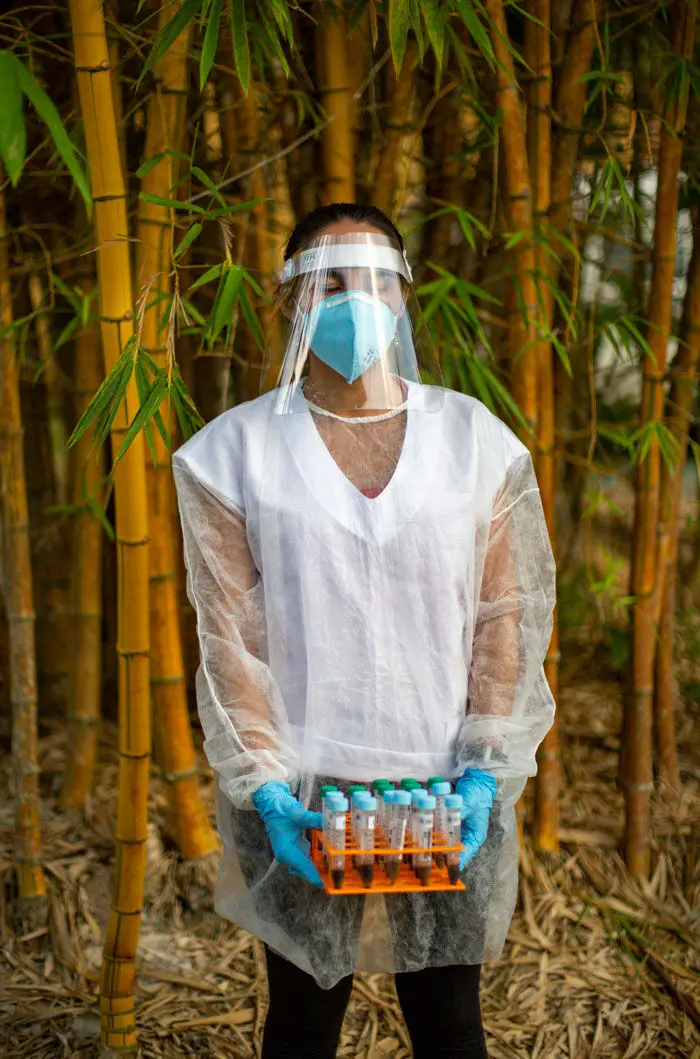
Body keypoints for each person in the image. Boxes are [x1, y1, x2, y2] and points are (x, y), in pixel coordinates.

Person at [173, 203, 556, 1058]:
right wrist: (266, 787)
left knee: (452, 1023)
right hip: (309, 789)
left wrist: (486, 773)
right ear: (287, 303)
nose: (357, 301)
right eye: (329, 282)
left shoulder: (474, 442)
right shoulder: (231, 454)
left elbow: (505, 619)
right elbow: (229, 639)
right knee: (304, 1024)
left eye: (377, 280)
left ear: (406, 293)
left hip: (444, 786)